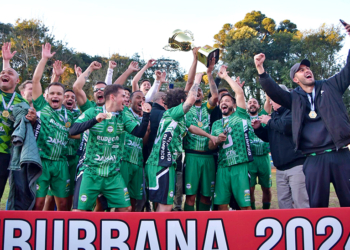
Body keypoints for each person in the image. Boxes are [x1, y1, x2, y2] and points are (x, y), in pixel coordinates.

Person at [253, 20, 350, 208]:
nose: (307, 71)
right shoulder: (294, 98)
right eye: (301, 70)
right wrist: (260, 69)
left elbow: (348, 69)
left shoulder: (330, 86)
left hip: (340, 154)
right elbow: (275, 92)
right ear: (295, 80)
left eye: (307, 68)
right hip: (313, 159)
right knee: (316, 208)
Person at [145, 48, 217, 212]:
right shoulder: (174, 113)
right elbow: (191, 96)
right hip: (160, 163)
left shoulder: (176, 117)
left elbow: (192, 128)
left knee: (163, 205)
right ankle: (158, 235)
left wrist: (209, 135)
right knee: (165, 206)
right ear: (181, 101)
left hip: (164, 163)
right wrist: (200, 74)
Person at [69, 84, 152, 212]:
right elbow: (72, 130)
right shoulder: (93, 112)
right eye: (123, 96)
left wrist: (146, 115)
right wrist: (94, 121)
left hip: (113, 173)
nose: (126, 99)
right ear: (112, 97)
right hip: (90, 171)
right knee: (78, 212)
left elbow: (139, 133)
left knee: (126, 209)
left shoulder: (123, 116)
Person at [32, 43, 75, 211]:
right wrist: (44, 59)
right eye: (52, 93)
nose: (55, 96)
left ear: (64, 97)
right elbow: (36, 80)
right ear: (47, 96)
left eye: (59, 94)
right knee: (38, 204)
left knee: (64, 205)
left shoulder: (70, 114)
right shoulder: (43, 108)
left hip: (61, 163)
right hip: (42, 162)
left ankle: (61, 235)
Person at [252, 84, 309, 209]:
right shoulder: (274, 116)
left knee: (301, 202)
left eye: (273, 99)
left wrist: (269, 121)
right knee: (284, 204)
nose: (271, 103)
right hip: (280, 169)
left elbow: (286, 126)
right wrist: (258, 129)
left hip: (296, 165)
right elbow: (268, 136)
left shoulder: (294, 110)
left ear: (282, 97)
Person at [209, 65, 253, 210]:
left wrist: (225, 76)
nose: (223, 102)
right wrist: (216, 140)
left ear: (234, 104)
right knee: (221, 205)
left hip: (239, 164)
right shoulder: (216, 124)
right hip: (222, 166)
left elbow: (239, 92)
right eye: (221, 101)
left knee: (244, 205)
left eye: (227, 100)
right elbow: (210, 146)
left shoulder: (240, 115)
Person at [0, 44, 35, 200]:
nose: (4, 74)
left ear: (17, 80)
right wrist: (6, 62)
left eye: (9, 74)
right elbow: (5, 76)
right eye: (2, 73)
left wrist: (32, 119)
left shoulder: (22, 102)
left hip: (7, 154)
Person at [183, 58, 218, 211]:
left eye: (200, 92)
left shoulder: (207, 107)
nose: (197, 93)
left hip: (208, 156)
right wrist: (196, 82)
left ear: (203, 96)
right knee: (190, 196)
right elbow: (189, 85)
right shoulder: (185, 107)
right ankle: (189, 226)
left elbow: (215, 96)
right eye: (195, 92)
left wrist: (209, 74)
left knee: (206, 196)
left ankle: (203, 225)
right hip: (192, 156)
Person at [119, 90, 150, 211]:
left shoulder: (145, 117)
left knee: (134, 198)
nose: (141, 100)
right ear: (130, 101)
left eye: (143, 98)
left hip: (138, 161)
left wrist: (147, 130)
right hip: (124, 159)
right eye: (138, 97)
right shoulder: (125, 112)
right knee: (121, 198)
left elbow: (144, 142)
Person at [246, 96, 272, 210]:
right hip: (250, 159)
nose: (252, 104)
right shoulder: (243, 117)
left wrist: (268, 90)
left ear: (258, 106)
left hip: (264, 158)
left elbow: (268, 101)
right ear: (247, 106)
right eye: (250, 102)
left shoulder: (263, 115)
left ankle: (266, 212)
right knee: (250, 189)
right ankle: (252, 213)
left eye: (255, 102)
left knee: (266, 188)